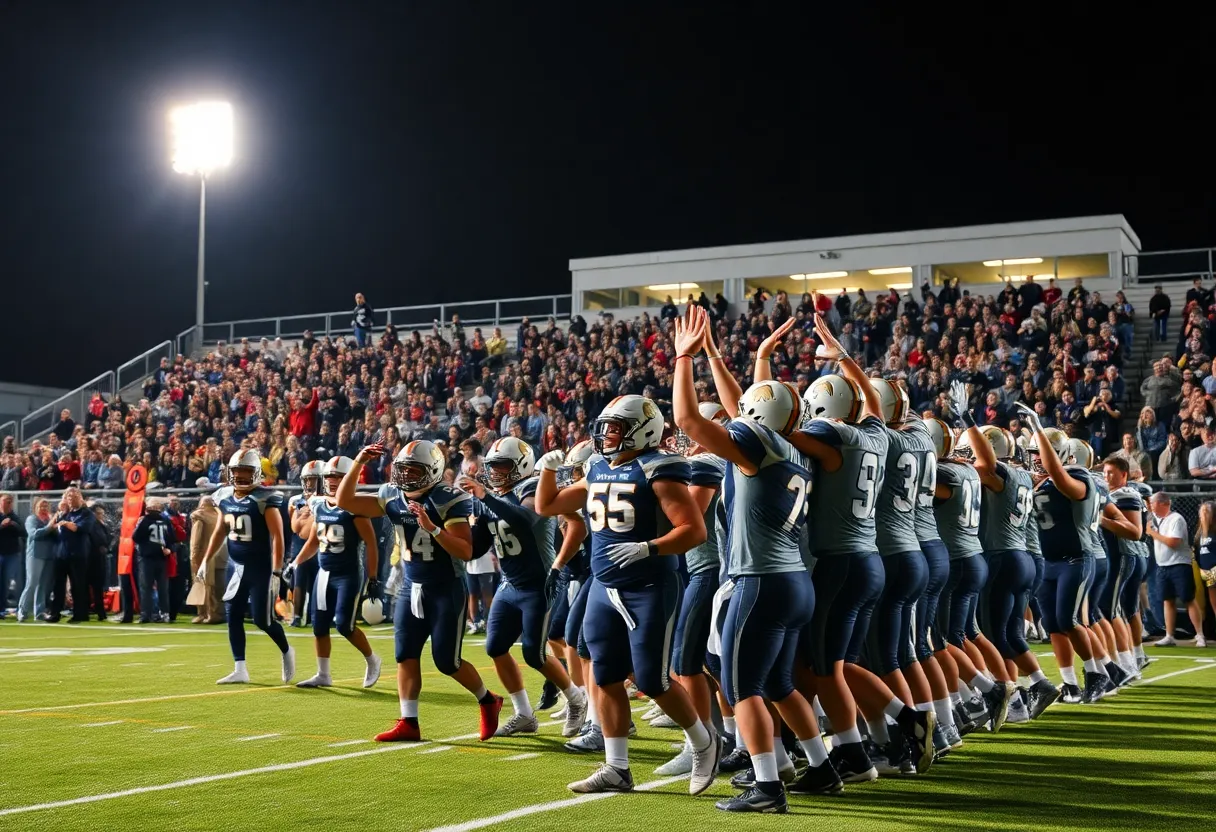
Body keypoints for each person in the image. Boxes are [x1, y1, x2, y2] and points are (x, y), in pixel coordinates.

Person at [676, 308, 841, 813]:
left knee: (742, 686)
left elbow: (689, 419)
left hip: (759, 579)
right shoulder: (794, 448)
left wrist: (683, 357)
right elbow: (747, 408)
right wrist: (719, 357)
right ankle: (822, 766)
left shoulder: (757, 444)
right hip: (794, 580)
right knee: (779, 684)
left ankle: (768, 786)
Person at [535, 393, 719, 797]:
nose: (607, 436)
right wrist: (547, 469)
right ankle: (617, 767)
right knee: (605, 675)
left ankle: (704, 742)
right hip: (604, 585)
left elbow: (694, 530)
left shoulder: (660, 469)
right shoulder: (598, 466)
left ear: (641, 429)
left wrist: (648, 547)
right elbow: (547, 505)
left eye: (615, 428)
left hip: (649, 585)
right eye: (606, 428)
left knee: (653, 680)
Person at [334, 439, 502, 743]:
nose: (406, 476)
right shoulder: (391, 495)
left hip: (445, 587)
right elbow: (344, 501)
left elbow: (465, 551)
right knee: (405, 655)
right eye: (403, 469)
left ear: (433, 471)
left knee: (446, 661)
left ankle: (488, 700)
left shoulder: (447, 499)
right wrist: (359, 461)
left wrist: (433, 528)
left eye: (414, 470)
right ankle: (409, 722)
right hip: (411, 585)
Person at [457, 437, 588, 739]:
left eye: (503, 467)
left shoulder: (532, 488)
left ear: (521, 466)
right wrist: (446, 531)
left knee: (534, 652)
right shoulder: (489, 498)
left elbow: (524, 518)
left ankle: (576, 699)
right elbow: (477, 548)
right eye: (493, 467)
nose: (497, 473)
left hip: (537, 584)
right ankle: (524, 713)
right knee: (495, 647)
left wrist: (486, 498)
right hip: (509, 583)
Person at [951, 401, 1060, 721]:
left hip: (1000, 557)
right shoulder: (1022, 474)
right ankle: (1036, 685)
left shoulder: (997, 473)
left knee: (990, 633)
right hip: (1023, 557)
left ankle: (1008, 699)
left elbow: (984, 464)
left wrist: (969, 421)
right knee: (1010, 634)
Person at [198, 449, 296, 684]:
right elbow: (220, 530)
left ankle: (286, 650)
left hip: (260, 568)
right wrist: (205, 560)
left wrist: (277, 571)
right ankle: (240, 667)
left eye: (245, 472)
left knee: (263, 620)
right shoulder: (224, 496)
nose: (240, 477)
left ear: (256, 474)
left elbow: (278, 537)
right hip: (236, 566)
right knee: (232, 614)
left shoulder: (264, 498)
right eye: (237, 472)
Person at [290, 456, 382, 689]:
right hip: (324, 573)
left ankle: (372, 659)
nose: (332, 481)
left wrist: (373, 578)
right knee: (319, 625)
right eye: (330, 476)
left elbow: (371, 544)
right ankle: (323, 673)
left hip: (348, 574)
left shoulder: (355, 509)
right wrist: (295, 563)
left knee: (344, 625)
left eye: (338, 477)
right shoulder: (318, 504)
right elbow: (313, 541)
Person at [1146, 492, 1206, 647]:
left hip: (1179, 564)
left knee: (1188, 599)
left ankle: (1200, 635)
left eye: (1153, 503)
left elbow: (1173, 542)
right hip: (1162, 565)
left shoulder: (1176, 519)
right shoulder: (1156, 519)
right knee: (1167, 600)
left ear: (1164, 503)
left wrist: (1153, 533)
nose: (1151, 506)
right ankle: (1169, 635)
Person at [287, 461, 324, 627]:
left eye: (314, 479)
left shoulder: (325, 500)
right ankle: (297, 616)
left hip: (320, 546)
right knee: (298, 581)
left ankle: (317, 616)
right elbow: (295, 527)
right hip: (300, 544)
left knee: (320, 583)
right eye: (307, 479)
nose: (310, 483)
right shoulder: (296, 500)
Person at [49, 487, 93, 623]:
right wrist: (59, 513)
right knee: (58, 585)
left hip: (77, 554)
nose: (70, 500)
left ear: (80, 497)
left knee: (77, 585)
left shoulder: (86, 514)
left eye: (73, 497)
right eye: (68, 497)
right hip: (61, 554)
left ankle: (80, 613)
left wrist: (67, 524)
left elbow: (80, 528)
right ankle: (55, 613)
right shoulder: (65, 513)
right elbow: (52, 527)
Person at [132, 498, 177, 624]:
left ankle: (146, 614)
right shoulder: (165, 520)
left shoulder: (145, 520)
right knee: (162, 587)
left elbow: (136, 537)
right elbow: (172, 539)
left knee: (146, 587)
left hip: (147, 558)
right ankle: (164, 614)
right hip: (161, 557)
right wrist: (168, 548)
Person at [189, 495, 226, 624]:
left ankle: (205, 613)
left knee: (201, 584)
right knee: (215, 585)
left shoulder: (199, 517)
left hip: (202, 553)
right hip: (218, 554)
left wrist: (194, 557)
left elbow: (196, 539)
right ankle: (214, 612)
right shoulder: (219, 516)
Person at [18, 499, 57, 622]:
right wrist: (50, 527)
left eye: (46, 506)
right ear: (35, 507)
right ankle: (22, 611)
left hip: (49, 555)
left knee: (43, 586)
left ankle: (39, 612)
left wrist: (54, 527)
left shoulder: (49, 520)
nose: (44, 508)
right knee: (32, 583)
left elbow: (56, 535)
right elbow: (34, 534)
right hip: (35, 555)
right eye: (41, 506)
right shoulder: (32, 519)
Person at [0, 493, 26, 617]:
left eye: (10, 501)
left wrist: (12, 524)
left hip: (12, 554)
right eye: (6, 501)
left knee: (6, 581)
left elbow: (23, 531)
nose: (8, 504)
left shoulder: (14, 517)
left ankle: (4, 608)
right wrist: (2, 525)